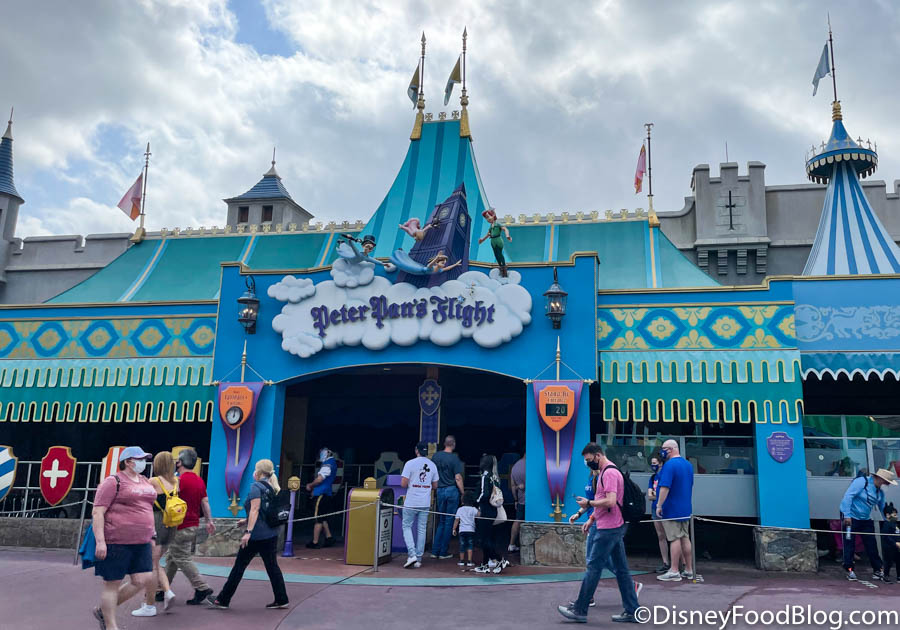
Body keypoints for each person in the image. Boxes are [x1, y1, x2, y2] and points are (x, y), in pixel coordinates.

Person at [558, 443, 639, 624]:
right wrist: (592, 518)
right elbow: (608, 502)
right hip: (613, 525)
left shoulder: (608, 473)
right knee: (621, 570)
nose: (588, 463)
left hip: (608, 528)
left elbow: (610, 501)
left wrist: (588, 504)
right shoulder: (608, 471)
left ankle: (580, 609)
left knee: (593, 568)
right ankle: (632, 610)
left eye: (589, 460)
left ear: (597, 455)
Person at [90, 446, 157, 630]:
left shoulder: (144, 481)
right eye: (140, 459)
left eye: (144, 459)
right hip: (117, 541)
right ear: (128, 462)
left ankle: (103, 611)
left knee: (142, 579)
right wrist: (101, 541)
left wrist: (152, 534)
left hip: (142, 541)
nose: (143, 462)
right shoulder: (113, 482)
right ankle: (111, 625)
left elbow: (148, 509)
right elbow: (98, 512)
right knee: (112, 583)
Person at [208, 459, 289, 609]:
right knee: (272, 567)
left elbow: (255, 509)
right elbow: (265, 511)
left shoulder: (256, 487)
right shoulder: (271, 487)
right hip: (271, 534)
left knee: (239, 566)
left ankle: (223, 599)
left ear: (258, 472)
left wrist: (248, 531)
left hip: (256, 535)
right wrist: (246, 521)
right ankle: (282, 598)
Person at [165, 448, 216, 605]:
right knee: (172, 557)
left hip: (178, 525)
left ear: (180, 462)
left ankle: (202, 587)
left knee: (181, 557)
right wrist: (209, 520)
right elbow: (205, 502)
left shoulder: (177, 481)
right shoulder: (199, 480)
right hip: (193, 524)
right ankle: (162, 589)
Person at [131, 451, 178, 617]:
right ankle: (166, 591)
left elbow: (139, 497)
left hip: (156, 522)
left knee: (152, 564)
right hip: (171, 524)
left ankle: (149, 604)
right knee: (156, 562)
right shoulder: (176, 481)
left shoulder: (154, 481)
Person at [839, 467, 897, 581]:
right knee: (849, 543)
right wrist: (847, 515)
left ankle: (877, 569)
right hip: (851, 517)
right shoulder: (861, 482)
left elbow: (882, 507)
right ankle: (849, 569)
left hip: (865, 519)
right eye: (887, 482)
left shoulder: (879, 492)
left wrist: (889, 521)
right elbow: (848, 496)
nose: (887, 484)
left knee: (871, 543)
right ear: (880, 478)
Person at [655, 439, 694, 581]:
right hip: (685, 508)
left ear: (670, 449)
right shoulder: (688, 465)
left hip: (671, 508)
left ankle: (674, 570)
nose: (662, 451)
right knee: (685, 537)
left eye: (664, 449)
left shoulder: (669, 465)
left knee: (674, 539)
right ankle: (689, 569)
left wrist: (659, 505)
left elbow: (665, 487)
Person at [400, 441, 438, 568]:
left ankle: (412, 555)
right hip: (425, 501)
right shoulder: (432, 465)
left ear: (416, 450)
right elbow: (435, 485)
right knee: (422, 529)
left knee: (406, 526)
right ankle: (419, 558)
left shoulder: (409, 463)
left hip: (411, 501)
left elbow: (403, 484)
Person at [430, 435, 465, 559]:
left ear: (444, 443)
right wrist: (463, 493)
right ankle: (443, 552)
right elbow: (458, 478)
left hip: (439, 490)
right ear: (453, 444)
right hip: (451, 490)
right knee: (449, 521)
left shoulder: (436, 456)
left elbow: (432, 474)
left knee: (441, 521)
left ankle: (435, 551)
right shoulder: (454, 458)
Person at [474, 454, 503, 574]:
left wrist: (476, 502)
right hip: (493, 510)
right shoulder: (495, 477)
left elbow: (484, 494)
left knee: (483, 539)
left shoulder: (485, 476)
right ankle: (485, 564)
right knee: (487, 538)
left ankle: (500, 559)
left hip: (485, 510)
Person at [305, 447, 338, 549]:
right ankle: (329, 538)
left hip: (321, 494)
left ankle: (315, 542)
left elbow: (320, 479)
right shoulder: (332, 463)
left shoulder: (327, 464)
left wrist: (310, 485)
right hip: (325, 493)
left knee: (318, 518)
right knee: (323, 517)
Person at [647, 455, 670, 573]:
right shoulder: (652, 478)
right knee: (661, 536)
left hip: (666, 508)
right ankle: (665, 562)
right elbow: (650, 496)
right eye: (652, 463)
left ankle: (680, 563)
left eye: (655, 463)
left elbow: (666, 493)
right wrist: (657, 495)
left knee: (672, 536)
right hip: (654, 508)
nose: (653, 465)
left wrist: (656, 495)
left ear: (661, 463)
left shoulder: (665, 476)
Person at [478, 208, 512, 277]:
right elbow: (488, 234)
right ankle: (500, 267)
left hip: (498, 240)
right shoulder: (491, 227)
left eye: (488, 217)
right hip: (493, 242)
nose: (488, 219)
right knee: (496, 255)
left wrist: (507, 236)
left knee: (499, 254)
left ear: (493, 215)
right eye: (486, 218)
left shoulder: (498, 224)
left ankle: (504, 267)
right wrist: (482, 240)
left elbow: (505, 229)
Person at [453, 491, 479, 568]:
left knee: (462, 545)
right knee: (470, 545)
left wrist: (454, 529)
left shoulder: (460, 509)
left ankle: (461, 561)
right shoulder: (473, 509)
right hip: (471, 530)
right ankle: (469, 561)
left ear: (463, 501)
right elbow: (479, 515)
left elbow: (456, 520)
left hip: (462, 530)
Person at [509, 453, 525, 553]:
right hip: (531, 499)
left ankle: (512, 544)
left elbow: (512, 486)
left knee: (518, 520)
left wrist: (515, 500)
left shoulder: (515, 467)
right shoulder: (531, 465)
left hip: (520, 499)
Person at [880, 503, 900, 584]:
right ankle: (886, 575)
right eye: (894, 514)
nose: (896, 516)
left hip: (897, 547)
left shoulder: (895, 525)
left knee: (899, 561)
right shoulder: (886, 525)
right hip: (889, 547)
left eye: (896, 514)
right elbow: (886, 537)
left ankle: (899, 576)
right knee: (888, 562)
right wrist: (894, 543)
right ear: (887, 515)